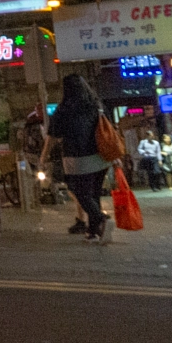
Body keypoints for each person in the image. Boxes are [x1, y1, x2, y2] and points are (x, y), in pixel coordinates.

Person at [41, 74, 109, 240]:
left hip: (78, 158)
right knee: (94, 194)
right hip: (101, 158)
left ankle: (99, 218)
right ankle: (93, 231)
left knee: (79, 192)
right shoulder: (96, 105)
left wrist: (43, 157)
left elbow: (52, 137)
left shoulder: (64, 109)